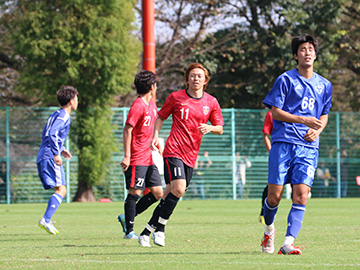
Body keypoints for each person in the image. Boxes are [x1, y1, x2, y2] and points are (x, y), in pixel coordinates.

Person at [137, 63, 224, 247]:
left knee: (170, 194)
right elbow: (160, 116)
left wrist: (210, 127)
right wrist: (156, 137)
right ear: (187, 79)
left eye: (200, 76)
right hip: (173, 150)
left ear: (205, 80)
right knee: (179, 189)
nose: (196, 79)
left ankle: (146, 232)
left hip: (191, 155)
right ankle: (160, 229)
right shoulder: (176, 98)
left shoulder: (211, 102)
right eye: (192, 75)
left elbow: (220, 129)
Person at [261, 34, 332, 255]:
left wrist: (318, 129)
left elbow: (324, 114)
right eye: (302, 49)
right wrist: (303, 120)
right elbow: (275, 112)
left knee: (301, 195)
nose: (307, 52)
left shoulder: (325, 85)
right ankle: (268, 230)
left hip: (309, 147)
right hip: (283, 143)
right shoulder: (285, 80)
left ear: (316, 54)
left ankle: (288, 242)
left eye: (311, 48)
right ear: (295, 55)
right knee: (274, 197)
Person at [117, 70, 163, 242]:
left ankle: (126, 216)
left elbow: (149, 128)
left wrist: (154, 141)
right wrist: (127, 156)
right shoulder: (138, 105)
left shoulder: (151, 105)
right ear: (152, 87)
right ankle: (129, 231)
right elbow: (127, 129)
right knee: (134, 192)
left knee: (158, 192)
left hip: (148, 157)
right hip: (137, 158)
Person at [37, 85, 78, 235]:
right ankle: (46, 219)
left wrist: (61, 148)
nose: (77, 101)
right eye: (76, 98)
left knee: (59, 189)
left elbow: (46, 134)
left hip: (43, 154)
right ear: (70, 100)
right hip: (49, 155)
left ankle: (47, 219)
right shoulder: (64, 116)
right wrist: (56, 153)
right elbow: (53, 133)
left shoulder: (55, 114)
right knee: (62, 189)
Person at [258, 111, 273, 223]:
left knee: (296, 186)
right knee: (272, 186)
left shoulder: (297, 111)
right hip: (279, 156)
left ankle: (295, 217)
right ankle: (263, 212)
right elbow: (266, 135)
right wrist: (272, 153)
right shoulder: (271, 114)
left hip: (296, 154)